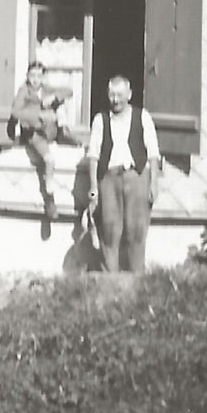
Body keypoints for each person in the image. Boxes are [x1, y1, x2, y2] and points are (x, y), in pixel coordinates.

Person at [85, 76, 161, 273]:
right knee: (110, 229)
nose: (115, 99)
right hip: (109, 179)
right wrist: (93, 190)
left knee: (137, 230)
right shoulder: (100, 120)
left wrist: (153, 183)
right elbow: (93, 156)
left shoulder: (142, 116)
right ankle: (110, 279)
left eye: (119, 95)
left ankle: (137, 278)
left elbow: (153, 153)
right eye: (112, 95)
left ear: (129, 94)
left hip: (137, 177)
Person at [6, 61, 73, 236]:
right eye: (32, 76)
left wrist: (54, 97)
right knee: (49, 160)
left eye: (39, 76)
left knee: (60, 106)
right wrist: (39, 114)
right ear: (27, 77)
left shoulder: (45, 89)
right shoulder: (24, 91)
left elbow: (69, 91)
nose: (35, 80)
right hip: (34, 133)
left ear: (43, 77)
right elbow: (15, 112)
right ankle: (50, 198)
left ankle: (63, 132)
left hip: (48, 130)